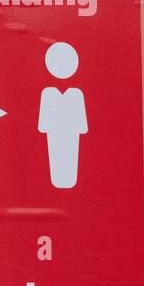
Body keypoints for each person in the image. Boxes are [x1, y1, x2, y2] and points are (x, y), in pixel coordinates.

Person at [38, 42, 87, 189]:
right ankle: (59, 181)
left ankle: (67, 181)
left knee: (69, 159)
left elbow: (82, 124)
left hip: (70, 133)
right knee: (57, 158)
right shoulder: (49, 93)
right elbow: (43, 123)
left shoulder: (75, 94)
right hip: (55, 133)